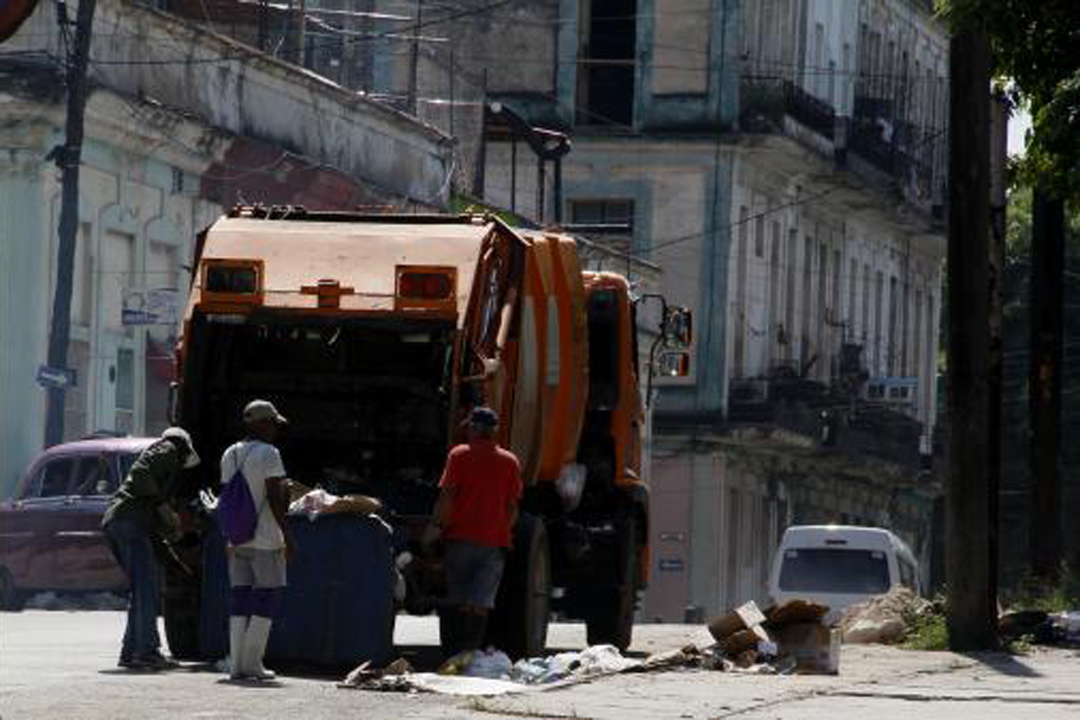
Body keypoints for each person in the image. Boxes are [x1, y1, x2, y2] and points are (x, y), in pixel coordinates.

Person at [103, 426, 200, 670]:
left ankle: (131, 652)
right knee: (146, 591)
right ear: (183, 446)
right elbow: (143, 471)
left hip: (118, 523)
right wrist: (160, 503)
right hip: (129, 523)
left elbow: (155, 538)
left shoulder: (146, 504)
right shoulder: (167, 448)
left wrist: (175, 564)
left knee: (141, 590)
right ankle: (147, 652)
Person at [429, 406, 522, 654]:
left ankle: (453, 653)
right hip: (493, 544)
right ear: (494, 431)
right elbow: (513, 508)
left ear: (473, 428)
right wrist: (501, 530)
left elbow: (447, 497)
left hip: (459, 540)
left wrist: (436, 528)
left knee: (458, 598)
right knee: (480, 602)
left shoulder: (459, 455)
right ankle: (470, 652)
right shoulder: (510, 461)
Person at [220, 399, 295, 681]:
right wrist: (288, 536)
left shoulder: (230, 453)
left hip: (238, 538)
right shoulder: (269, 453)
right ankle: (253, 664)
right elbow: (275, 498)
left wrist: (229, 536)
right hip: (265, 539)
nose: (275, 430)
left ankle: (236, 663)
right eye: (273, 424)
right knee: (266, 596)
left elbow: (227, 498)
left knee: (239, 596)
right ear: (262, 423)